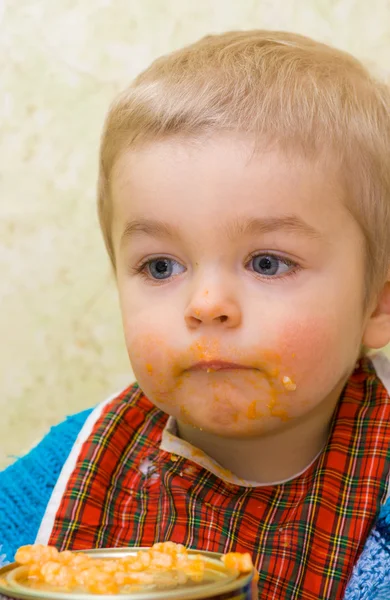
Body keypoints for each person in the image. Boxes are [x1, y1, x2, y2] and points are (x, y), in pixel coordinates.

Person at [1, 29, 390, 599]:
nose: (206, 305)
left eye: (267, 262)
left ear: (377, 305)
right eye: (160, 267)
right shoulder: (67, 469)